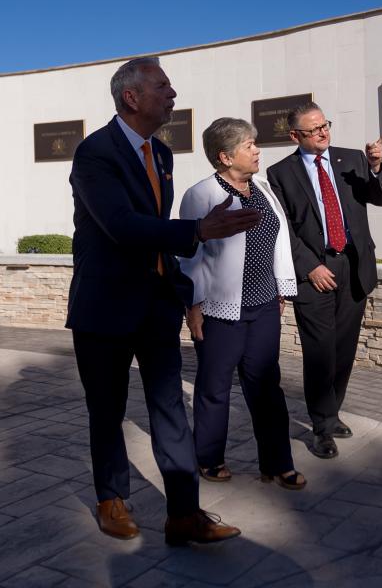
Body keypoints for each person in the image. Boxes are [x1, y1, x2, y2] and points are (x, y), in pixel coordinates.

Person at [68, 57, 258, 545]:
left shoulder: (164, 154)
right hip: (105, 306)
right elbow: (120, 225)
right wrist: (197, 230)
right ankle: (112, 499)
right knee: (107, 410)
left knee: (171, 407)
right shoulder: (95, 154)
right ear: (131, 97)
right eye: (163, 87)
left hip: (155, 304)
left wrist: (181, 287)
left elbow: (153, 228)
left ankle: (184, 514)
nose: (172, 94)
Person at [179, 117, 305, 490]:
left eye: (255, 143)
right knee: (215, 387)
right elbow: (190, 255)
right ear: (224, 155)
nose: (257, 151)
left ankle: (277, 463)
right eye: (249, 145)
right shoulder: (200, 195)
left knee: (267, 386)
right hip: (220, 310)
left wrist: (281, 286)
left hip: (265, 304)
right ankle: (210, 457)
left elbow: (278, 240)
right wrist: (194, 305)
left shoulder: (263, 188)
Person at [267, 102, 382, 458]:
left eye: (325, 125)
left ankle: (332, 411)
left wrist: (375, 167)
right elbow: (283, 227)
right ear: (295, 136)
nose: (323, 132)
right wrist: (309, 267)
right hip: (314, 272)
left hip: (352, 268)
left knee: (343, 349)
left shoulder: (352, 159)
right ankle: (321, 426)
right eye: (314, 129)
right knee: (320, 352)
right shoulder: (281, 173)